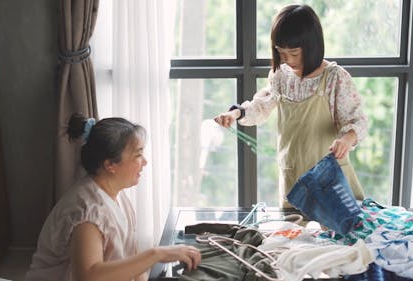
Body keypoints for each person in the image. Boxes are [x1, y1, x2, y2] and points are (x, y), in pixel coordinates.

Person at [214, 4, 368, 207]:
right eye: (281, 53)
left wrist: (347, 139)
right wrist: (236, 114)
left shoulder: (334, 78)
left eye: (294, 53)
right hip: (292, 176)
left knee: (337, 233)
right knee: (293, 234)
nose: (287, 59)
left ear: (312, 45)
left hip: (330, 178)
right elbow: (261, 106)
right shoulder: (281, 76)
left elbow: (358, 121)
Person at [25, 113, 201, 281]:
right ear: (110, 165)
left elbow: (130, 261)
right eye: (138, 155)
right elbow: (88, 276)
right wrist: (157, 254)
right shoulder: (88, 212)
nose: (145, 162)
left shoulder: (115, 195)